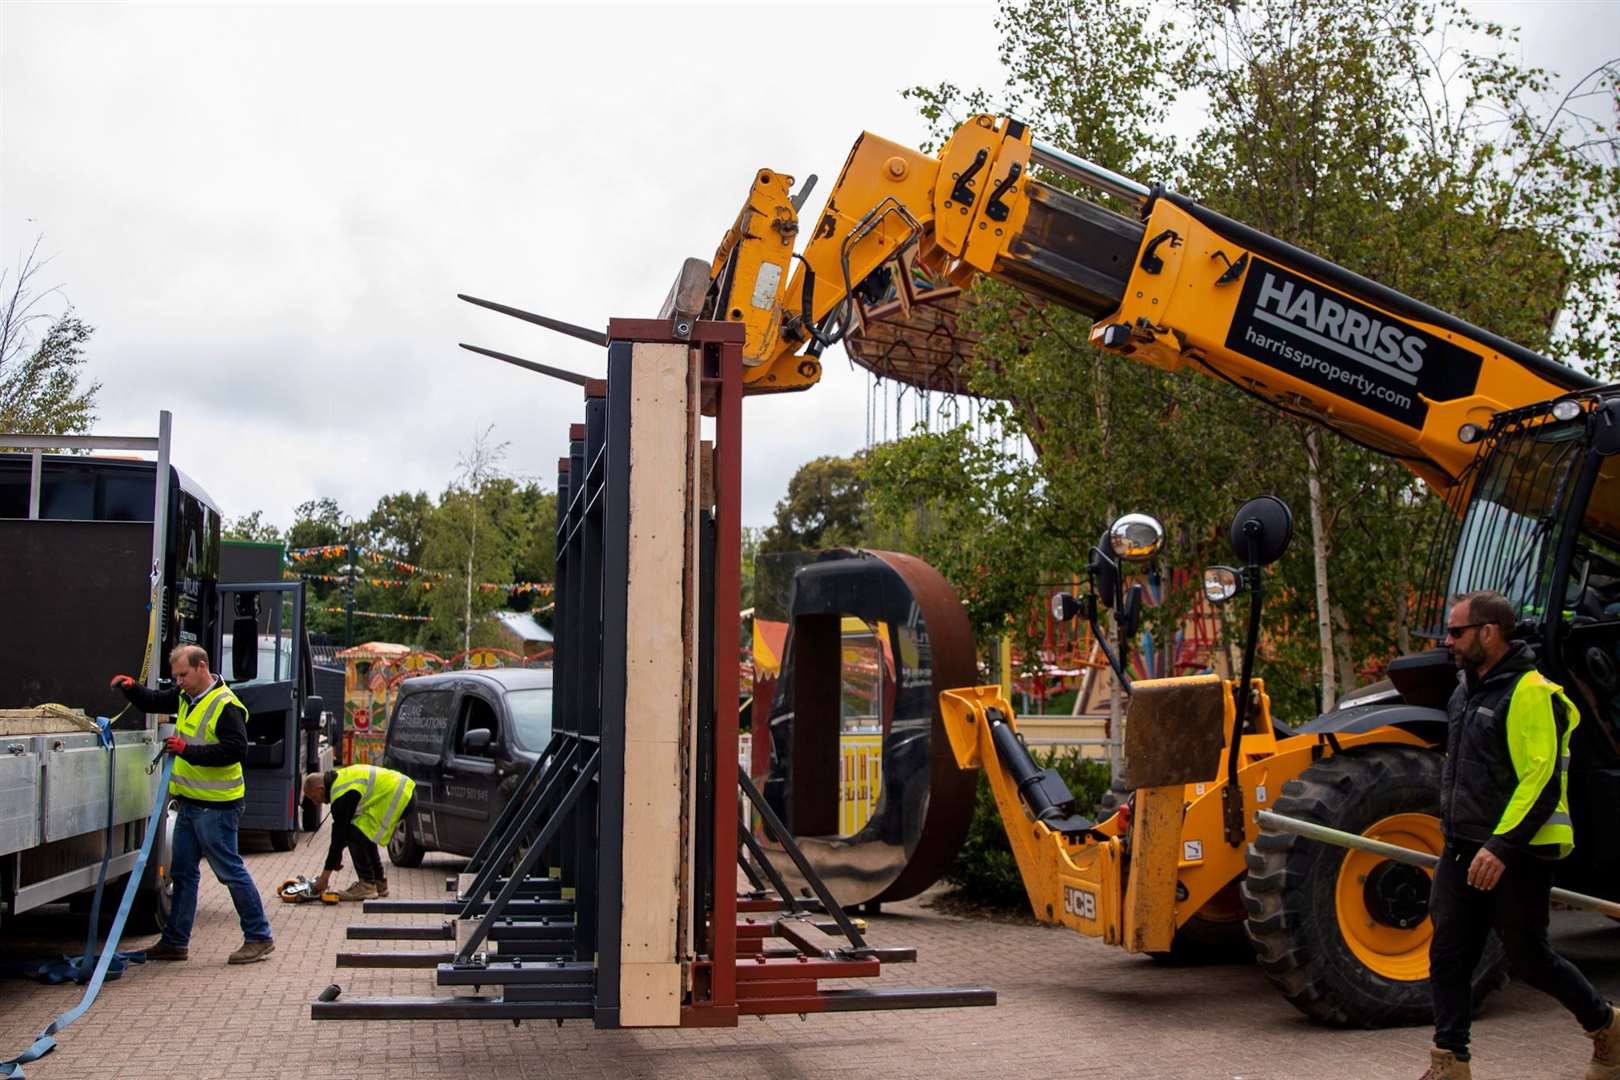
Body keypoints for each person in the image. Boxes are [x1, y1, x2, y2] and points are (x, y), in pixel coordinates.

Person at [1423, 590, 1617, 1080]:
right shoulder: (1464, 689)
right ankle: (1450, 1063)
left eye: (1456, 631)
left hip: (1519, 852)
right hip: (1462, 845)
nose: (1448, 641)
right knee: (1447, 954)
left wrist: (1501, 846)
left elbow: (1542, 779)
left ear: (1488, 633)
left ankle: (1607, 1027)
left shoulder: (1534, 693)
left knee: (1529, 959)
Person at [110, 646, 275, 964]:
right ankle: (175, 942)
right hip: (189, 804)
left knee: (230, 872)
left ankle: (259, 937)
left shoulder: (225, 705)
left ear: (202, 667)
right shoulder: (188, 696)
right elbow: (156, 700)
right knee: (183, 873)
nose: (179, 682)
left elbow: (235, 751)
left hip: (217, 807)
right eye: (176, 677)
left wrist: (186, 750)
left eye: (183, 675)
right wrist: (133, 689)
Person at [303, 764, 417, 902]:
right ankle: (378, 882)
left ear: (320, 788)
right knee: (362, 830)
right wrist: (337, 857)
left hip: (400, 796)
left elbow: (339, 837)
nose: (316, 803)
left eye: (314, 797)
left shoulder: (341, 795)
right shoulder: (340, 781)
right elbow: (339, 835)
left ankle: (367, 885)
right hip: (405, 790)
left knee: (354, 832)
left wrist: (324, 877)